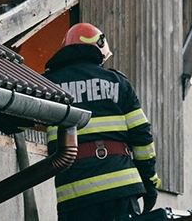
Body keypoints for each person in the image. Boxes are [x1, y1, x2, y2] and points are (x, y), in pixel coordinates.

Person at [44, 23, 161, 221]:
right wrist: (149, 183)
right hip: (121, 188)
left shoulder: (49, 84)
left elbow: (13, 120)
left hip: (75, 191)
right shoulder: (118, 83)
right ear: (98, 48)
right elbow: (142, 137)